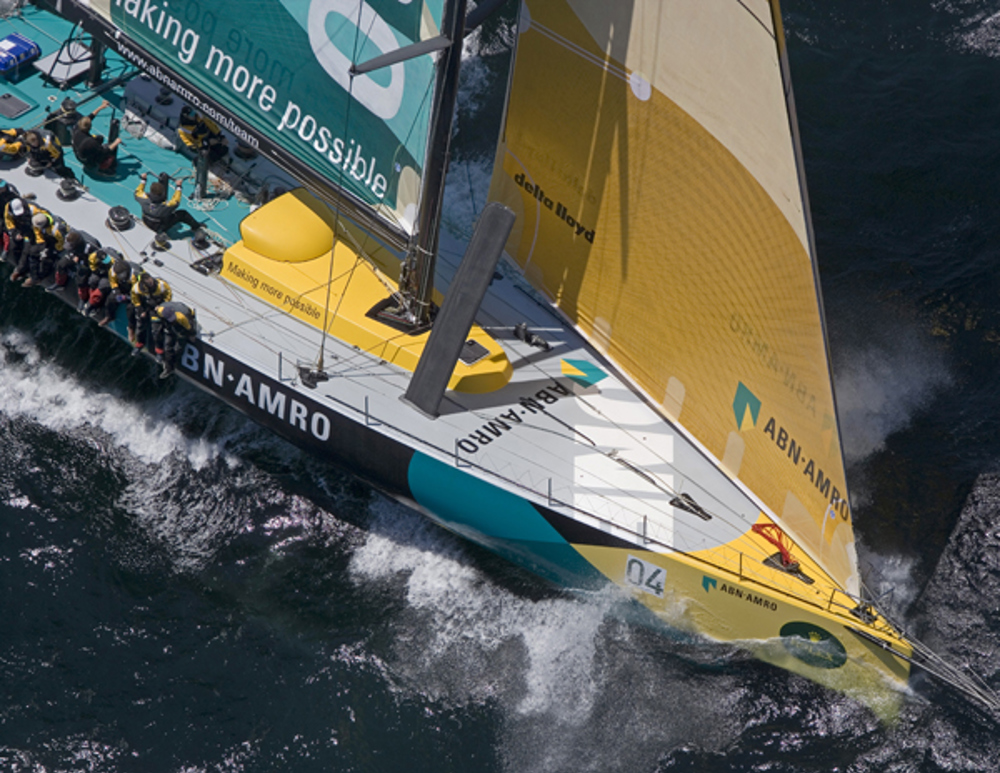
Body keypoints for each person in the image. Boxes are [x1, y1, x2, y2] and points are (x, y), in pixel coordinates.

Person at [134, 172, 202, 233]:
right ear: (162, 193)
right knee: (182, 214)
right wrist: (178, 186)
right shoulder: (166, 205)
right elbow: (176, 201)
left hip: (146, 222)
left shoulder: (142, 198)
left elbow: (137, 191)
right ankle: (196, 227)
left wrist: (143, 180)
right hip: (160, 227)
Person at [72, 100, 121, 174]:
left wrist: (101, 107)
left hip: (78, 152)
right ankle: (105, 169)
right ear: (90, 127)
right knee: (109, 148)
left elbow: (90, 117)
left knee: (100, 138)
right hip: (85, 160)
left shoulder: (77, 128)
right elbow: (104, 152)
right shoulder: (91, 143)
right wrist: (116, 142)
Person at [151, 300, 197, 378]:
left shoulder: (181, 317)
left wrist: (191, 335)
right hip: (169, 324)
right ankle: (169, 368)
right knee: (167, 347)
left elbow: (189, 328)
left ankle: (174, 362)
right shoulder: (159, 311)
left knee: (178, 348)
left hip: (186, 319)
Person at [20, 211, 65, 287]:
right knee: (33, 254)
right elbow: (37, 231)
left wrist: (53, 249)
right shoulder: (39, 218)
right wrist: (41, 243)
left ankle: (39, 277)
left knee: (47, 259)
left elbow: (61, 242)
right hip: (45, 239)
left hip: (56, 243)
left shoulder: (56, 230)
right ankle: (34, 276)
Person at [128, 272, 171, 349]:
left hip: (156, 308)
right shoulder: (136, 288)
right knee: (140, 325)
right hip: (145, 307)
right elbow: (134, 298)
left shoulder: (161, 285)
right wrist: (140, 308)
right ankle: (140, 343)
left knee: (156, 330)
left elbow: (168, 294)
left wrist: (162, 305)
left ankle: (159, 349)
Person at [5, 197, 40, 277]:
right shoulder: (8, 208)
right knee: (13, 248)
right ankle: (19, 265)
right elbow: (9, 222)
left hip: (31, 232)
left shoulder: (33, 210)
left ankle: (21, 269)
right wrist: (15, 233)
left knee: (26, 251)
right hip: (19, 230)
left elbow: (38, 225)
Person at [100, 253, 133, 327]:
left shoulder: (134, 275)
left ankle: (131, 326)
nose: (120, 276)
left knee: (131, 308)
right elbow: (113, 282)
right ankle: (109, 316)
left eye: (122, 274)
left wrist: (129, 296)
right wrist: (117, 292)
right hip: (122, 287)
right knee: (110, 299)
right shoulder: (112, 271)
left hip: (133, 290)